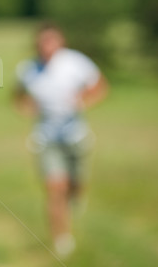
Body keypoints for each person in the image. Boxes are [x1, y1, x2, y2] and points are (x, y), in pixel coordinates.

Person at [14, 22, 108, 258]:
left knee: (75, 186)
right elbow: (18, 97)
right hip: (46, 138)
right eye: (42, 42)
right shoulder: (28, 69)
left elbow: (100, 87)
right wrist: (29, 109)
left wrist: (82, 102)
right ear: (36, 44)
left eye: (51, 41)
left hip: (75, 135)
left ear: (60, 42)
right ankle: (62, 240)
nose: (47, 47)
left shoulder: (75, 63)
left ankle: (76, 197)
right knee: (55, 189)